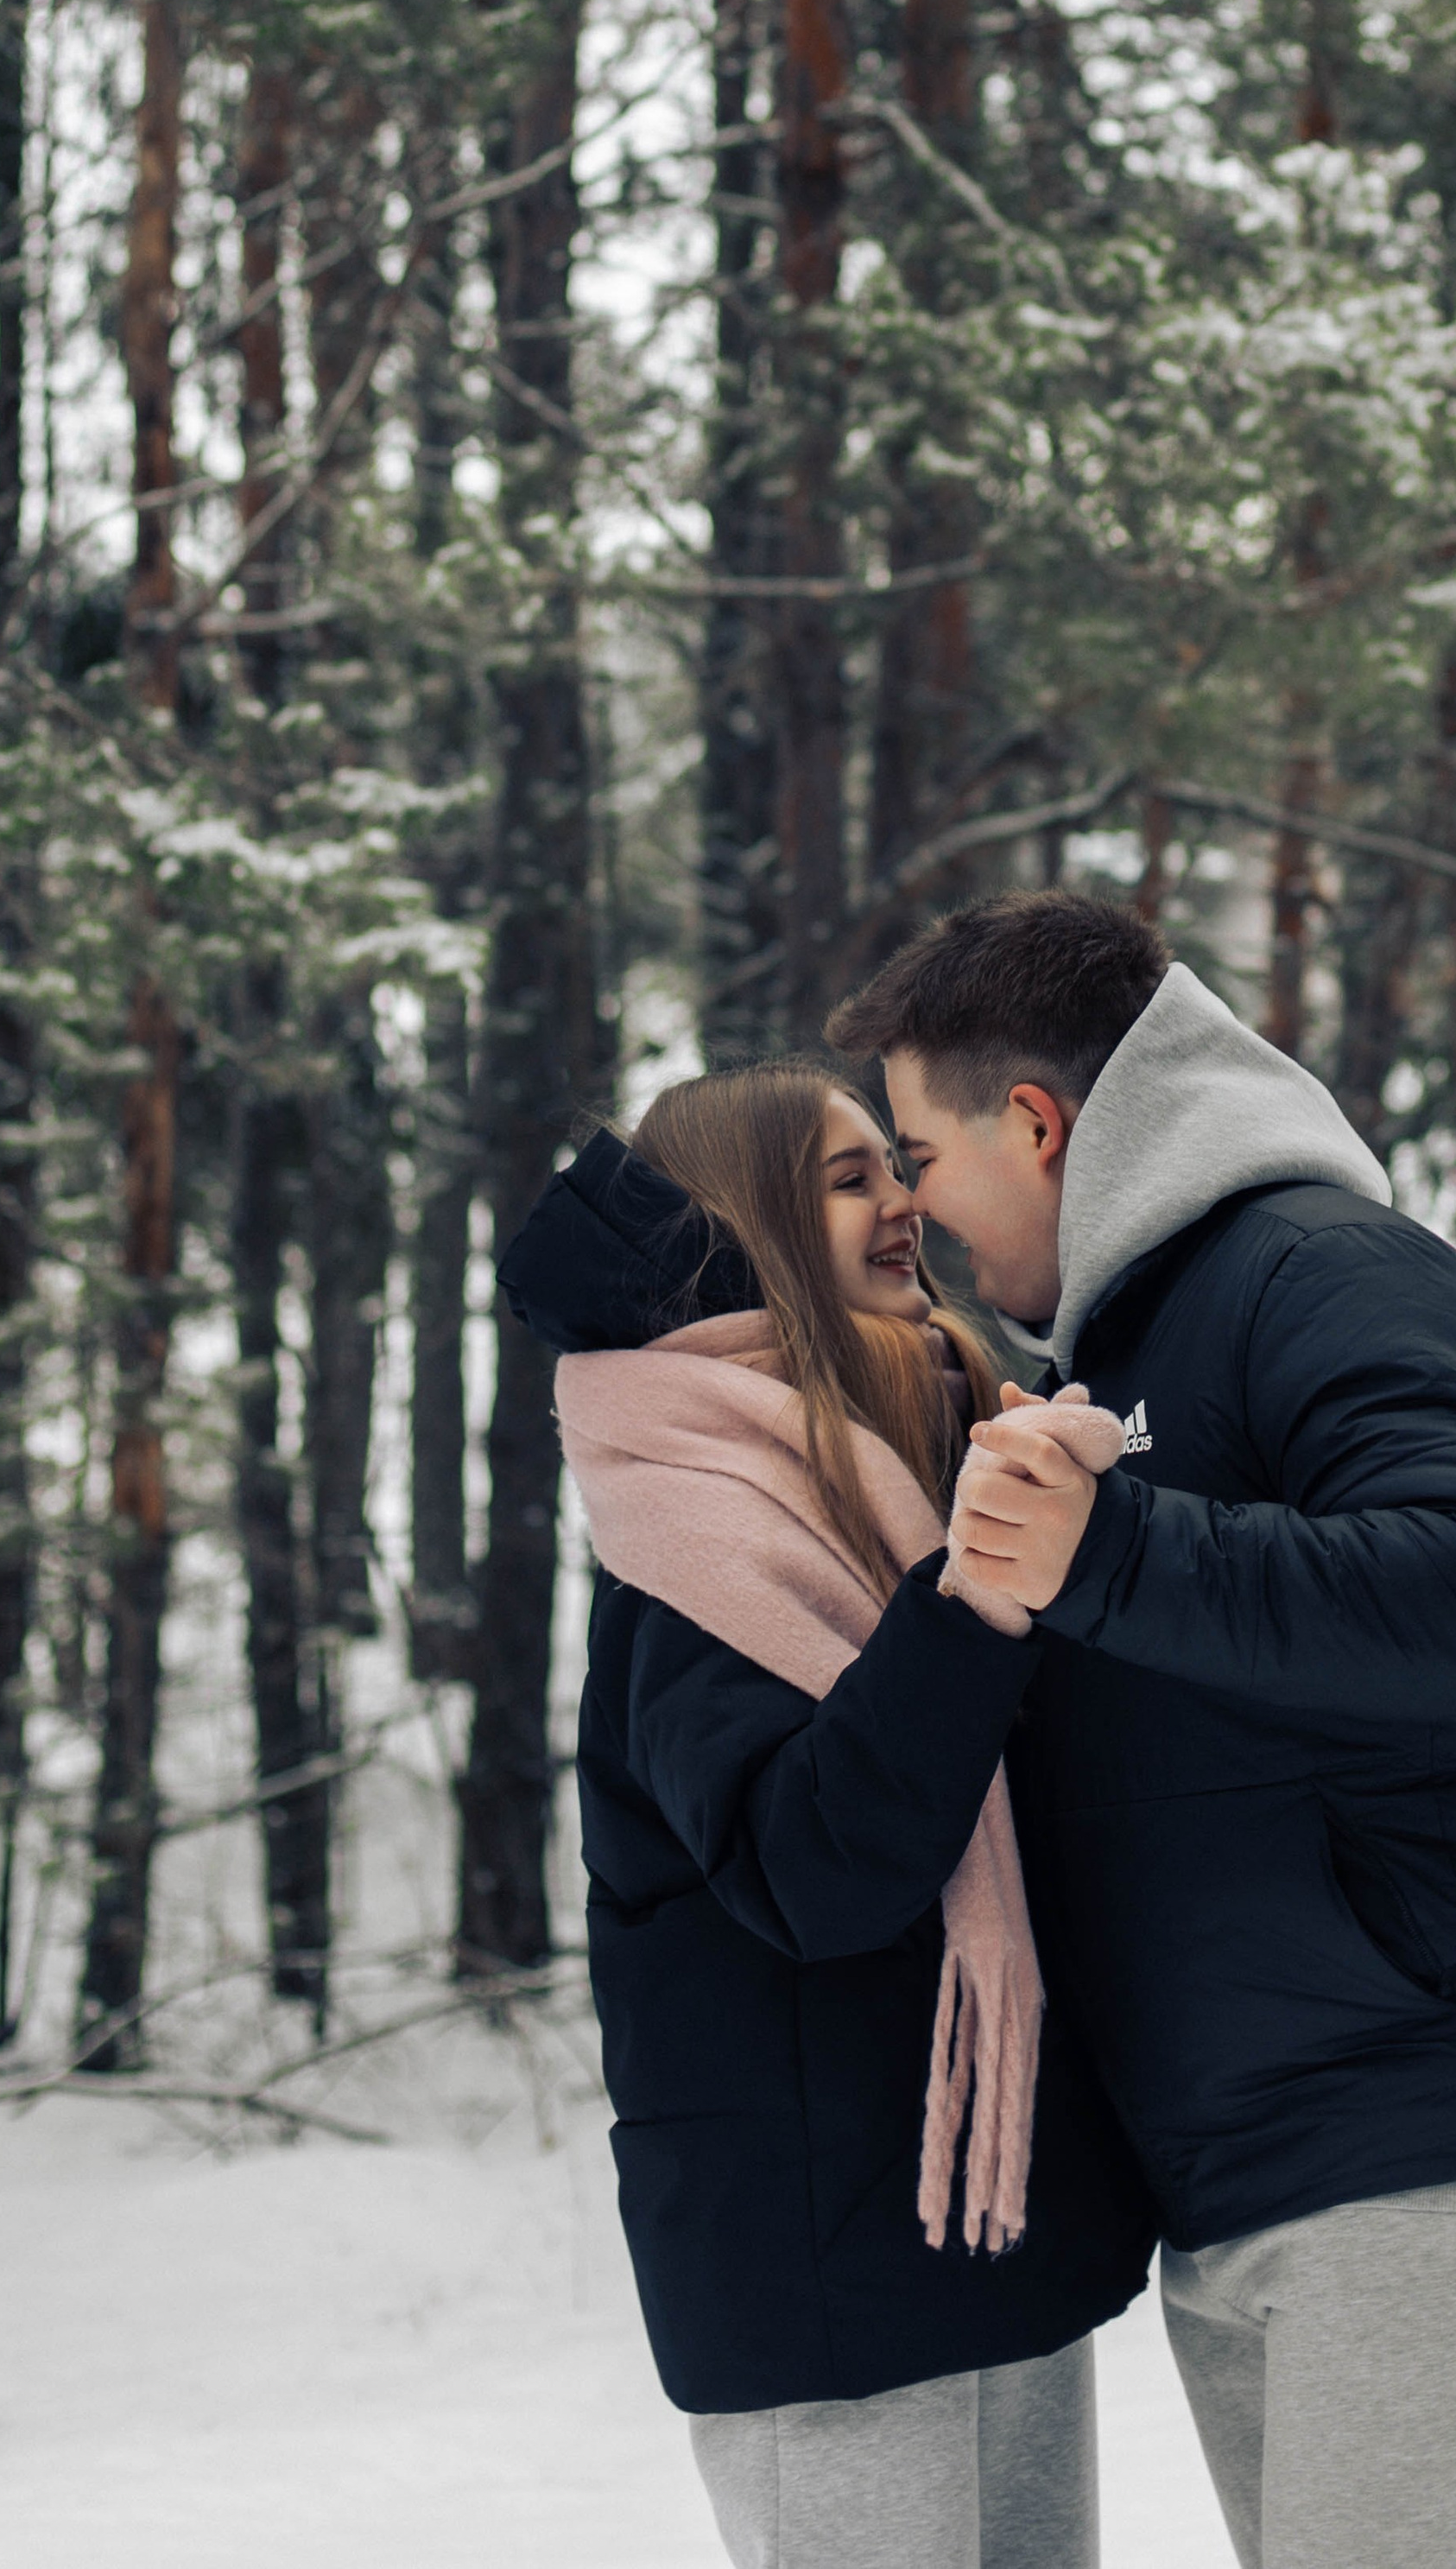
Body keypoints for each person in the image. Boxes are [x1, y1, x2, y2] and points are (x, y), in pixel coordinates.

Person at [826, 893, 1456, 2569]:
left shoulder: (1318, 1270)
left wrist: (1112, 1555)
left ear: (1035, 1125)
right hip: (1283, 2152)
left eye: (923, 1155)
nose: (918, 1211)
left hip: (1451, 2122)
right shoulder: (1130, 1343)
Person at [494, 1062, 1154, 2569]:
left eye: (893, 1166)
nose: (904, 1203)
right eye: (847, 1178)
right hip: (824, 2269)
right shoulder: (694, 1535)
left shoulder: (925, 1451)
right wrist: (973, 1601)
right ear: (749, 1226)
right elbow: (817, 1871)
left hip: (987, 2222)